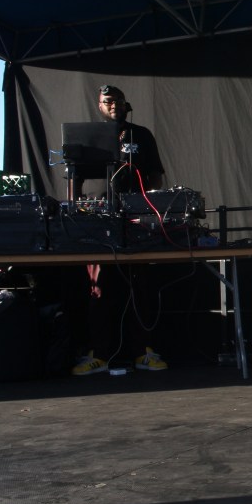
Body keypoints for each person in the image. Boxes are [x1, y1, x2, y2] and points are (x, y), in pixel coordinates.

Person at [70, 84, 168, 376]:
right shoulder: (89, 136)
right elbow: (74, 175)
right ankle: (99, 355)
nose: (113, 105)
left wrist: (149, 205)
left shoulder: (141, 135)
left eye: (118, 100)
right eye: (107, 101)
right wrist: (75, 209)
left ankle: (142, 352)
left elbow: (155, 175)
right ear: (100, 106)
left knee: (140, 288)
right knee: (99, 290)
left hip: (134, 219)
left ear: (127, 104)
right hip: (99, 222)